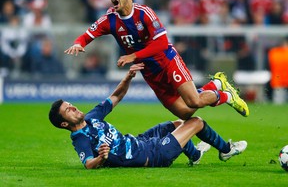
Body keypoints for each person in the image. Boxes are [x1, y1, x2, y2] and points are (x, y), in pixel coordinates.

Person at [64, 0, 249, 120]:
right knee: (185, 113)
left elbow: (161, 43)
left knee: (194, 101)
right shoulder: (109, 19)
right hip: (151, 73)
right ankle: (217, 84)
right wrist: (79, 43)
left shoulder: (144, 13)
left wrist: (133, 56)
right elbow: (88, 35)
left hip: (167, 61)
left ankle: (226, 95)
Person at [49, 63, 248, 169]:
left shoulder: (92, 118)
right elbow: (88, 164)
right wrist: (101, 158)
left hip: (140, 141)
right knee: (196, 122)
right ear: (65, 123)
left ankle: (195, 156)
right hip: (151, 156)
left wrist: (127, 78)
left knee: (177, 123)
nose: (74, 108)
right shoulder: (80, 138)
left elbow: (116, 96)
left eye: (71, 105)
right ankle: (226, 150)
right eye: (69, 110)